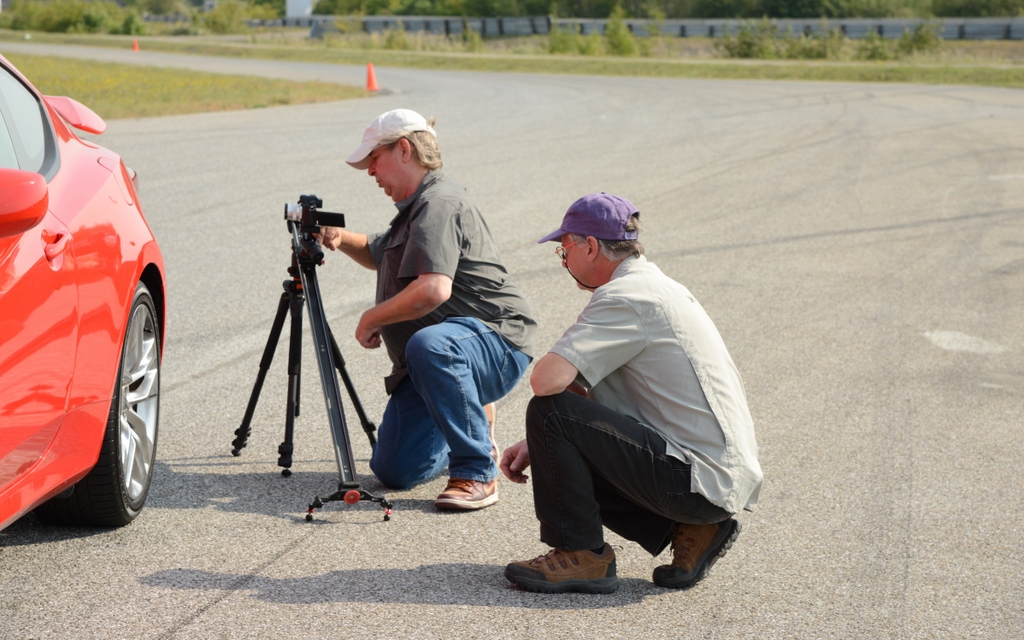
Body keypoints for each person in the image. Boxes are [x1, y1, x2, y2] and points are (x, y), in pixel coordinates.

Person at [500, 193, 762, 593]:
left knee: (548, 410)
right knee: (556, 418)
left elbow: (547, 382)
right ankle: (692, 528)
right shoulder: (656, 286)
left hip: (696, 479)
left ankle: (581, 554)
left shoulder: (624, 298)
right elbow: (591, 403)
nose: (564, 261)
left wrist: (544, 434)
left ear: (589, 246)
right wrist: (538, 445)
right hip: (711, 479)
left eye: (564, 249)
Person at [318, 109, 536, 511]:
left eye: (375, 160)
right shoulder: (415, 210)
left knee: (430, 343)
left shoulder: (439, 203)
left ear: (404, 149)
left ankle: (476, 472)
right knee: (395, 471)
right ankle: (470, 417)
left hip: (493, 341)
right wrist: (336, 235)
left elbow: (434, 289)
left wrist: (372, 317)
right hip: (437, 358)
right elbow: (376, 251)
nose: (370, 172)